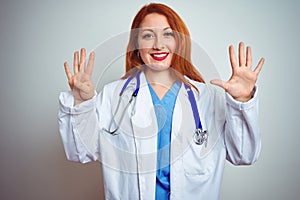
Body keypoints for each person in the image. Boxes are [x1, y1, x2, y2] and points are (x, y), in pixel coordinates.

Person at [58, 3, 264, 200]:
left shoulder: (209, 97)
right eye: (148, 35)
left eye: (168, 34)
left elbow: (244, 155)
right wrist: (81, 102)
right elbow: (80, 152)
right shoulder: (113, 95)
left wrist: (242, 100)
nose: (158, 45)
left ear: (179, 42)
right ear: (136, 46)